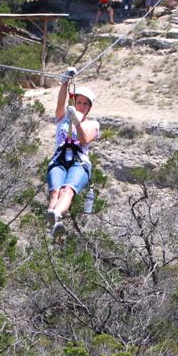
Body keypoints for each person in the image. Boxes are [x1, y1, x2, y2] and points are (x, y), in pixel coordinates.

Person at [46, 67, 100, 238]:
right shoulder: (63, 117)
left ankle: (55, 214)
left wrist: (77, 122)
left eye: (85, 104)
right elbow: (60, 102)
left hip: (79, 163)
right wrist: (65, 82)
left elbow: (84, 140)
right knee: (56, 191)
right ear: (74, 102)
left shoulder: (93, 124)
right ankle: (55, 218)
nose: (82, 106)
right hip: (59, 159)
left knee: (67, 190)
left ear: (89, 108)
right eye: (79, 102)